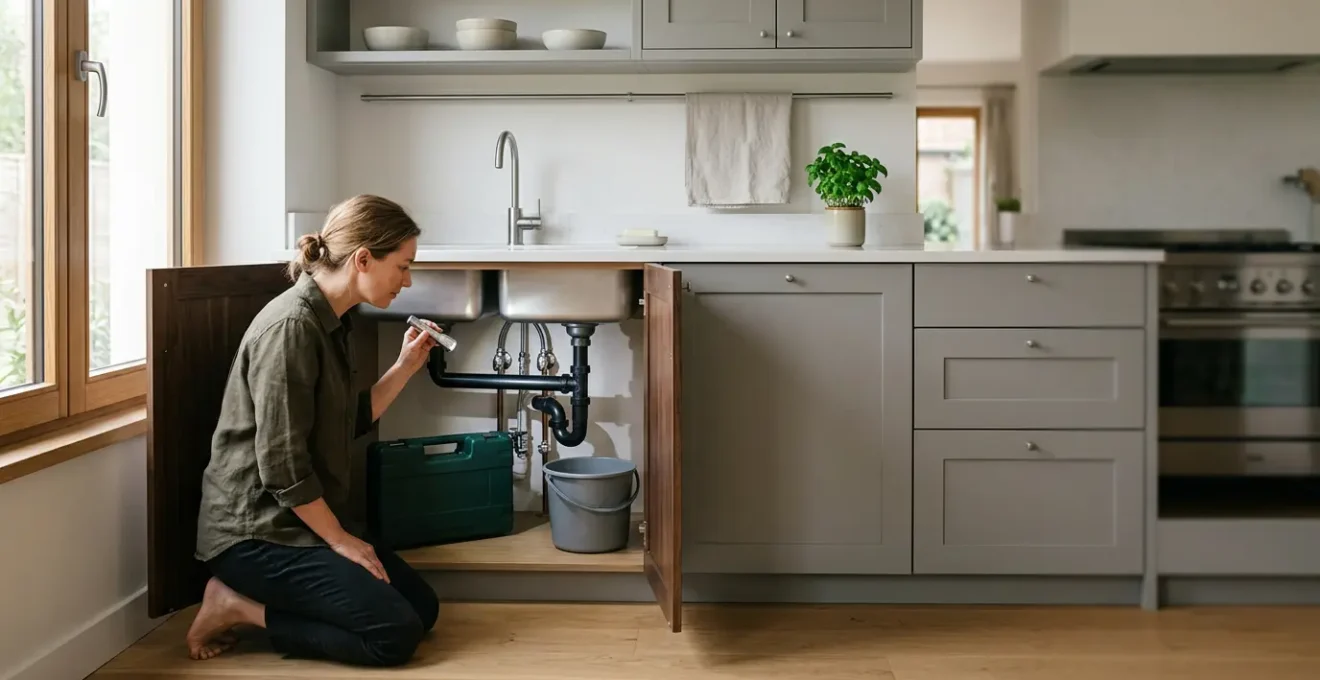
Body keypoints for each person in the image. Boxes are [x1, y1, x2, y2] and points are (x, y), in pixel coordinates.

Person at [185, 194, 442, 667]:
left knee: (422, 609)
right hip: (256, 535)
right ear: (363, 259)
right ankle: (235, 605)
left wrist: (405, 367)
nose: (408, 280)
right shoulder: (291, 328)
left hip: (295, 520)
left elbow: (348, 420)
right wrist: (342, 540)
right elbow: (283, 467)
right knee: (394, 635)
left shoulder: (331, 322)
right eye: (403, 266)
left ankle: (257, 601)